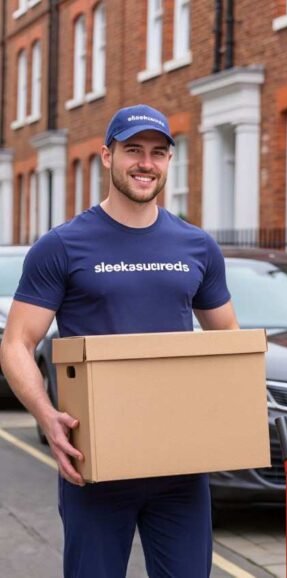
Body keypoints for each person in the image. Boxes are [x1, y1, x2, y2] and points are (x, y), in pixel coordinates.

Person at [0, 104, 239, 577]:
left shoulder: (197, 246)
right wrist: (47, 417)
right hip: (96, 462)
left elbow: (227, 341)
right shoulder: (63, 245)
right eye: (133, 150)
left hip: (180, 467)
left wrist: (222, 426)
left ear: (169, 161)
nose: (145, 163)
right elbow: (16, 343)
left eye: (157, 152)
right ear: (107, 156)